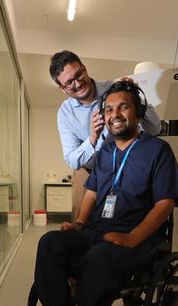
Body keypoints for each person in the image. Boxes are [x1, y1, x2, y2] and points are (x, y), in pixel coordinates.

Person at [21, 81, 178, 306]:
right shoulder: (106, 151)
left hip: (138, 239)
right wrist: (80, 222)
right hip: (97, 230)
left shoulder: (157, 150)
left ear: (137, 112)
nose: (115, 114)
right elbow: (93, 192)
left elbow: (165, 203)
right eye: (109, 109)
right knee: (50, 243)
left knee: (100, 256)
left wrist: (133, 238)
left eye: (123, 107)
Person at [49, 50, 161, 219]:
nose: (78, 84)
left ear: (84, 68)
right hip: (88, 173)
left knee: (128, 220)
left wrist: (135, 96)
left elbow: (154, 128)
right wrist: (92, 139)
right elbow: (72, 159)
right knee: (81, 223)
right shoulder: (65, 113)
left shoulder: (114, 90)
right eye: (69, 83)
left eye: (79, 74)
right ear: (62, 88)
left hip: (126, 170)